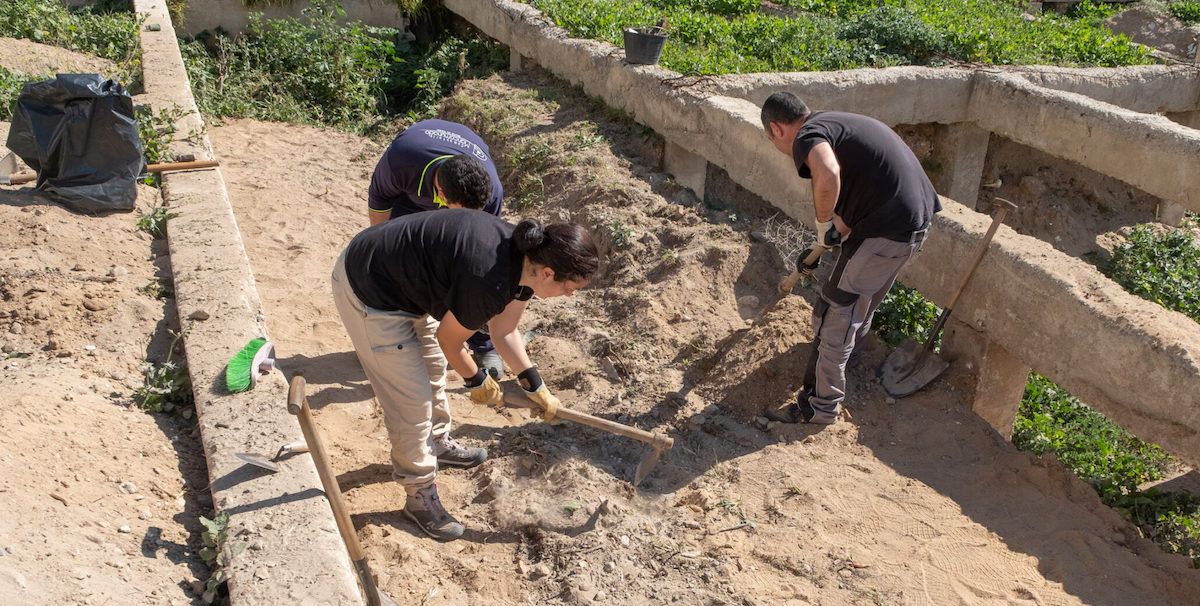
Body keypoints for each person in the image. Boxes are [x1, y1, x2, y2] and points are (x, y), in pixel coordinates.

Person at [332, 209, 598, 540]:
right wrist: (479, 383)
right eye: (570, 288)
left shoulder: (525, 261)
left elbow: (505, 331)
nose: (569, 296)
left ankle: (437, 443)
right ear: (548, 273)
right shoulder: (489, 278)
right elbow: (450, 341)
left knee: (433, 375)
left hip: (406, 284)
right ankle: (419, 495)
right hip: (370, 289)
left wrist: (535, 385)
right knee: (411, 402)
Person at [760, 91, 940, 425]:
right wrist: (828, 237)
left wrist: (822, 223)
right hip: (911, 224)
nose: (782, 149)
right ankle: (847, 357)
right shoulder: (834, 123)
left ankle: (819, 405)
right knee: (860, 299)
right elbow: (859, 194)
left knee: (835, 313)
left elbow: (828, 175)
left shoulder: (807, 137)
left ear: (778, 129)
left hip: (886, 230)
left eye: (773, 141)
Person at [367, 118, 507, 378]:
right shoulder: (403, 160)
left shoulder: (492, 193)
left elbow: (482, 253)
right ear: (441, 195)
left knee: (469, 276)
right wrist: (380, 251)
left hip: (452, 188)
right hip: (407, 202)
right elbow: (379, 202)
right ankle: (396, 337)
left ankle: (484, 345)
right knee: (398, 265)